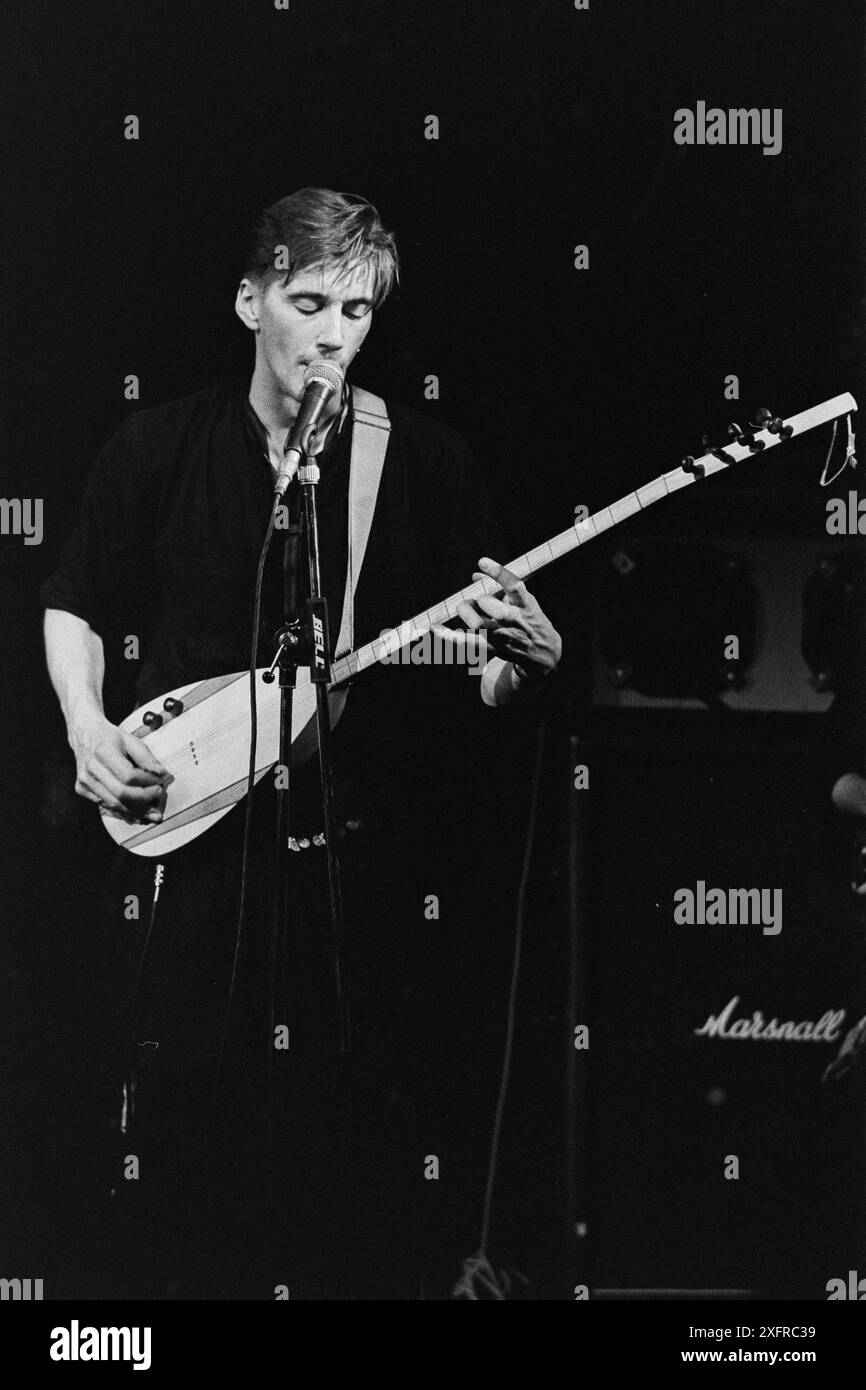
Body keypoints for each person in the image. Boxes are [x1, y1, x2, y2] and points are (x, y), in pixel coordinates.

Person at [40, 187, 563, 1299]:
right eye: (310, 301)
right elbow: (74, 599)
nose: (333, 334)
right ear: (251, 300)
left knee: (344, 1155)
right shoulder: (158, 444)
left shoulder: (420, 463)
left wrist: (523, 661)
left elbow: (482, 677)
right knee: (173, 1149)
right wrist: (87, 728)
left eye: (358, 312)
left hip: (351, 870)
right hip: (184, 855)